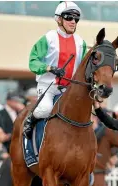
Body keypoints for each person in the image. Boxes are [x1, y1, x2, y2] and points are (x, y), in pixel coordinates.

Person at [23, 1, 87, 139]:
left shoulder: (81, 43)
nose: (73, 22)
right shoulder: (48, 38)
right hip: (48, 86)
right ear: (58, 19)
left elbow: (84, 67)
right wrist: (50, 68)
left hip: (69, 89)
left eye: (76, 19)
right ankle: (30, 120)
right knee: (45, 110)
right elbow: (33, 61)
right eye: (69, 18)